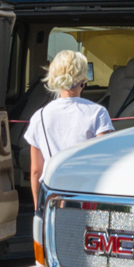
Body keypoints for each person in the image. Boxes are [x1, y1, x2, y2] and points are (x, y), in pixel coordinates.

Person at [22, 51, 113, 211]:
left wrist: (38, 209)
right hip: (87, 197)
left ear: (53, 78)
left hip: (52, 197)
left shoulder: (39, 116)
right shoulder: (98, 112)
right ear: (83, 79)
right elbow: (105, 161)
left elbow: (36, 170)